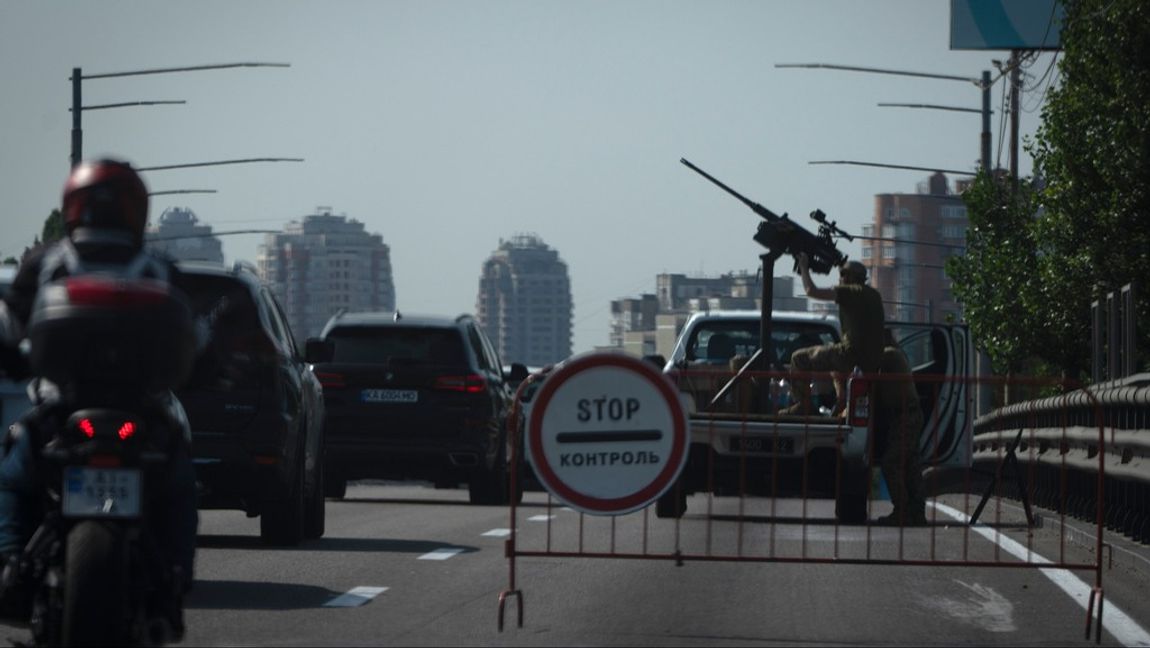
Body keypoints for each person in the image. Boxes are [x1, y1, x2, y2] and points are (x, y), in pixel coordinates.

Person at [0, 159, 199, 634]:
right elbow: (195, 340)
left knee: (15, 469)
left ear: (71, 207)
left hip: (61, 411)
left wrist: (13, 358)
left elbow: (9, 325)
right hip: (140, 412)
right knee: (179, 480)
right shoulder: (157, 267)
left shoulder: (47, 261)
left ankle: (10, 566)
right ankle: (173, 579)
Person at [781, 253, 885, 416]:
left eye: (842, 275)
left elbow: (811, 291)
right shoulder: (874, 295)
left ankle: (803, 405)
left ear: (849, 277)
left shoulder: (850, 291)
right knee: (832, 355)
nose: (839, 279)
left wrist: (804, 266)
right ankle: (842, 399)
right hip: (871, 361)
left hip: (851, 355)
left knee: (798, 358)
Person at [874, 329, 927, 526]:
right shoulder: (896, 354)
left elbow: (867, 364)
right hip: (908, 415)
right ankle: (917, 512)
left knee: (891, 463)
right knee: (911, 465)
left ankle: (902, 510)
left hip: (906, 415)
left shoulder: (889, 354)